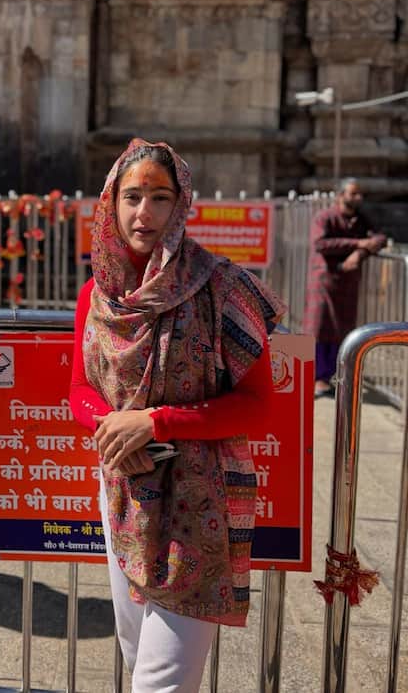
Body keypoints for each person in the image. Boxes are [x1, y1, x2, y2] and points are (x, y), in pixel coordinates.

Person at [69, 139, 284, 692]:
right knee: (138, 655)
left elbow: (258, 405)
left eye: (160, 198)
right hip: (124, 490)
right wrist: (111, 428)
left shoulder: (221, 287)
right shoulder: (98, 296)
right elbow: (80, 389)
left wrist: (156, 422)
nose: (145, 213)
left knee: (159, 682)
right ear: (111, 202)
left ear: (181, 204)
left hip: (200, 500)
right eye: (133, 196)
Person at [303, 177, 386, 397]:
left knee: (342, 331)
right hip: (324, 282)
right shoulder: (325, 217)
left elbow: (379, 238)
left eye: (360, 194)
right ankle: (317, 378)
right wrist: (357, 244)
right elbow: (320, 244)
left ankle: (330, 376)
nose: (357, 198)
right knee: (319, 330)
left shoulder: (361, 220)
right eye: (352, 194)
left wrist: (360, 253)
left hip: (347, 285)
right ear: (341, 195)